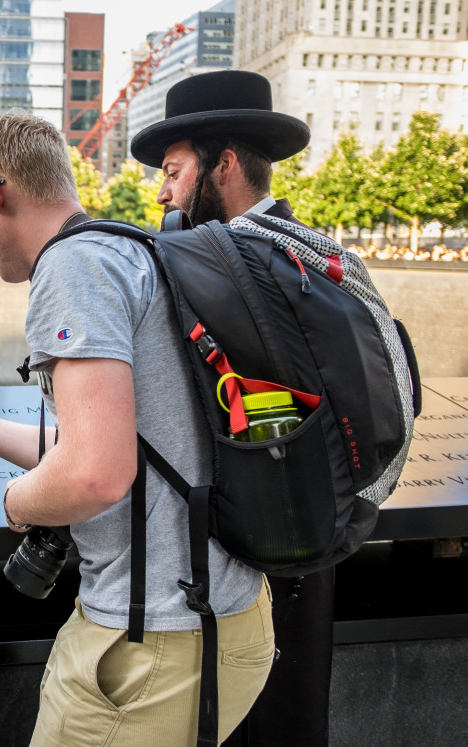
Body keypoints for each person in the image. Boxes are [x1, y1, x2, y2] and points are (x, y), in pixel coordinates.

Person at [0, 110, 274, 745]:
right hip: (228, 614)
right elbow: (124, 444)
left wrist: (15, 501)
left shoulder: (71, 270)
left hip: (149, 644)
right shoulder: (134, 249)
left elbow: (95, 473)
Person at [131, 70, 332, 747]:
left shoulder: (220, 274)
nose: (162, 191)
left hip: (238, 569)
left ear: (222, 165)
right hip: (313, 545)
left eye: (174, 170)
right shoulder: (315, 255)